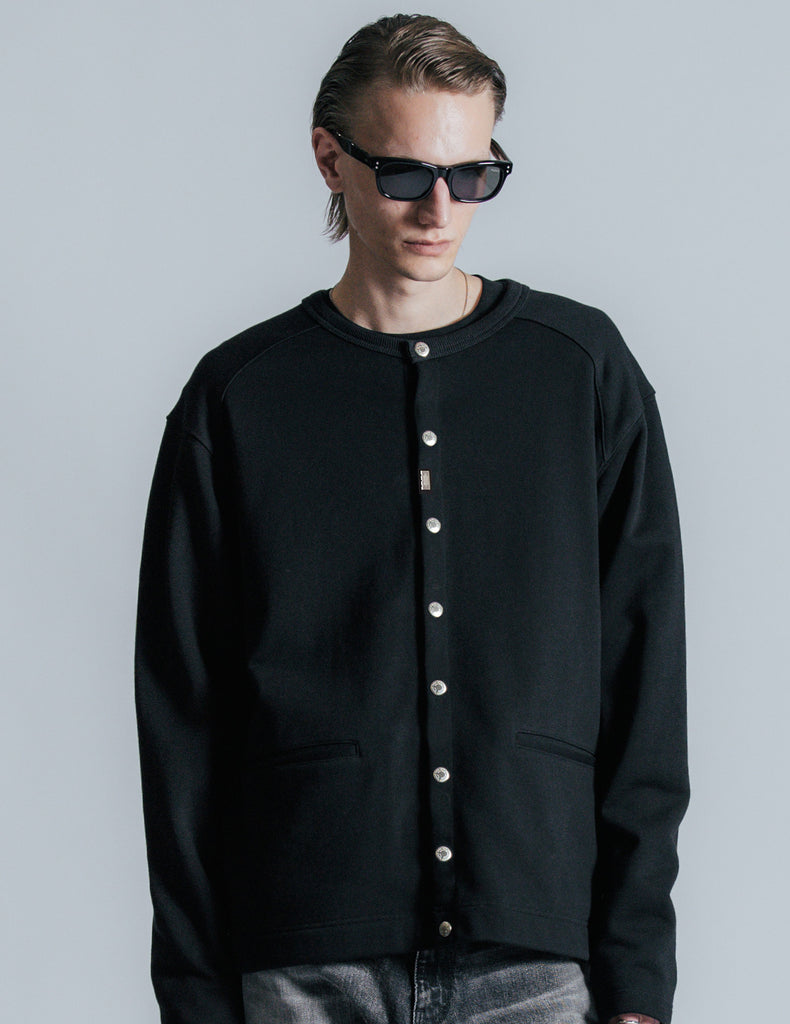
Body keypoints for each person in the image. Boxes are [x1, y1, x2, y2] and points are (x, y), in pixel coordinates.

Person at [134, 13, 689, 1024]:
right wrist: (195, 995)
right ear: (329, 159)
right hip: (304, 960)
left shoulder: (579, 370)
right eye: (402, 175)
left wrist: (637, 974)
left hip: (534, 959)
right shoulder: (240, 396)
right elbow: (181, 722)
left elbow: (643, 681)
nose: (440, 209)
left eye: (472, 175)